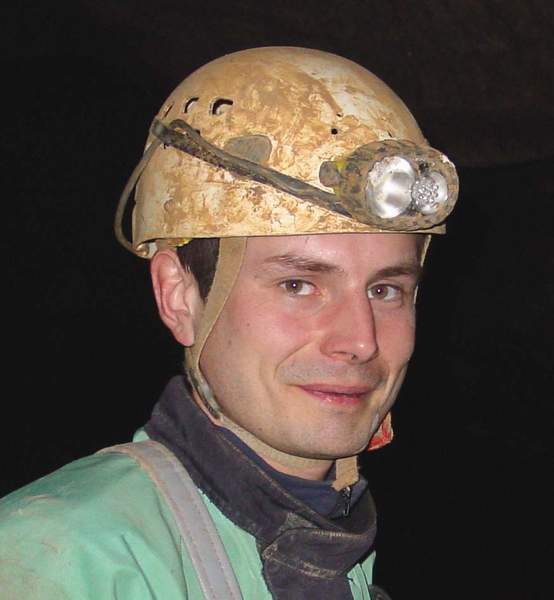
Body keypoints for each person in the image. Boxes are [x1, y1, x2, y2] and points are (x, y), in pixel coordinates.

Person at [0, 47, 458, 599]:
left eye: (385, 290)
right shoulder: (60, 560)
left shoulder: (336, 552)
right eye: (298, 285)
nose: (361, 341)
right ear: (179, 297)